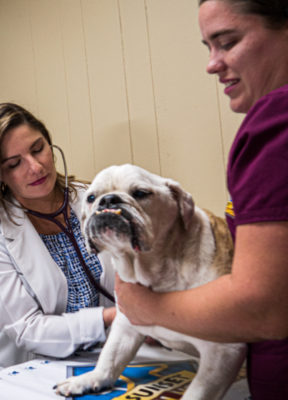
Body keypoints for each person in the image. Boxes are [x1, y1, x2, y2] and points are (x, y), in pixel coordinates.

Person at [115, 0, 288, 397]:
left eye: (227, 42)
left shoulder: (275, 123)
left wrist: (147, 309)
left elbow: (262, 306)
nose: (213, 64)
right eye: (208, 47)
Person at [0, 102, 116, 375]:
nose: (35, 167)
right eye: (14, 163)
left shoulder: (95, 200)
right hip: (30, 373)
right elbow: (27, 328)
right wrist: (108, 319)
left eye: (38, 149)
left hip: (105, 362)